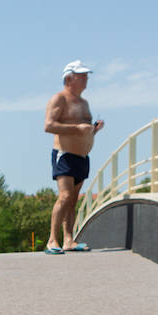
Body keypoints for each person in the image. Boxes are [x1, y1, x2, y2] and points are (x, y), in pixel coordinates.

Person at [44, 60, 104, 253]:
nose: (86, 78)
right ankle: (53, 240)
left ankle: (69, 239)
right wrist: (77, 128)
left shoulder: (84, 103)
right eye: (82, 75)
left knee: (73, 200)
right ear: (70, 78)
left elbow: (84, 131)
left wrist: (94, 130)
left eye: (86, 75)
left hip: (82, 157)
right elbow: (49, 126)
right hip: (65, 155)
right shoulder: (59, 99)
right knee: (64, 196)